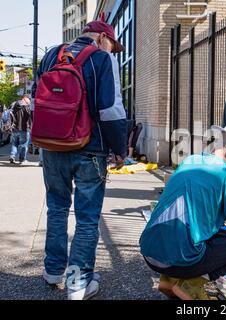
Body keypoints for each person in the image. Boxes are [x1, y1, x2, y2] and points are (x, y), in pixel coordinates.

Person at [32, 20, 127, 300]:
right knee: (86, 218)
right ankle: (78, 282)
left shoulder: (52, 54)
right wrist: (119, 149)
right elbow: (110, 109)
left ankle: (53, 270)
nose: (114, 51)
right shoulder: (102, 58)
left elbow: (37, 97)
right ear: (100, 37)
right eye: (112, 44)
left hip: (52, 145)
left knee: (57, 208)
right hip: (90, 147)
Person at [140, 121, 226, 300]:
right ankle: (190, 286)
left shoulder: (190, 160)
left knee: (189, 232)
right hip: (183, 259)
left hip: (150, 252)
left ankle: (168, 282)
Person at [8, 95, 32, 164]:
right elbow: (30, 116)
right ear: (25, 100)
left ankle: (12, 156)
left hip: (14, 128)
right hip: (24, 128)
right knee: (23, 144)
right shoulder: (26, 107)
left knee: (14, 143)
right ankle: (22, 159)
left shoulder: (13, 104)